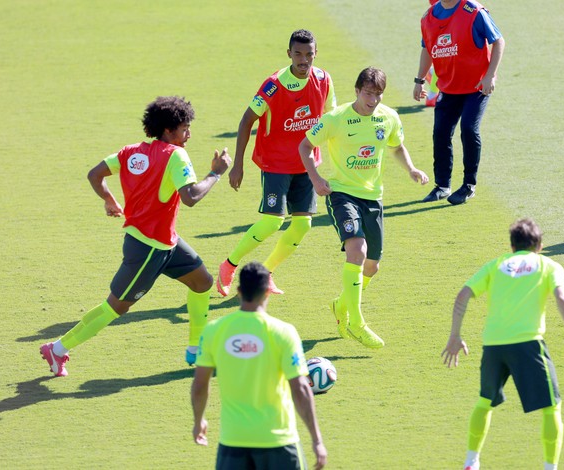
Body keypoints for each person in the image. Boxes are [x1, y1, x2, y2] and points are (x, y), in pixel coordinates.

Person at [39, 96, 232, 376]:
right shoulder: (175, 155)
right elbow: (189, 197)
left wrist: (108, 199)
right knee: (116, 307)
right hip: (148, 249)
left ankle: (197, 349)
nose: (189, 134)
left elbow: (95, 174)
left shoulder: (130, 152)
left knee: (202, 282)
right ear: (168, 129)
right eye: (185, 128)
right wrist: (215, 173)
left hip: (165, 241)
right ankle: (57, 349)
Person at [298, 67, 429, 349]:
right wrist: (316, 179)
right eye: (368, 93)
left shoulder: (389, 117)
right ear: (357, 91)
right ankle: (356, 322)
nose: (373, 100)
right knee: (358, 250)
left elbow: (396, 146)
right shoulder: (336, 119)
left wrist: (411, 169)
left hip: (374, 197)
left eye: (378, 94)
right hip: (342, 193)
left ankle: (341, 304)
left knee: (372, 266)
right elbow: (305, 146)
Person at [441, 218, 564, 470]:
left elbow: (463, 295)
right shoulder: (548, 265)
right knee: (552, 407)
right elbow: (561, 297)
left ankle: (471, 462)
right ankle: (550, 468)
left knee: (485, 401)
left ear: (512, 245)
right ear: (539, 245)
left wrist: (455, 335)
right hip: (528, 345)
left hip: (494, 346)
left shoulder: (497, 264)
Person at [217, 29, 336, 297]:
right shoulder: (274, 85)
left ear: (316, 54)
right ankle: (229, 265)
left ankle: (266, 273)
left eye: (309, 54)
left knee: (303, 224)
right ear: (289, 54)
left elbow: (331, 119)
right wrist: (238, 165)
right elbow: (246, 120)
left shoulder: (324, 79)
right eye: (298, 54)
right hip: (276, 163)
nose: (304, 60)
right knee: (272, 222)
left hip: (306, 164)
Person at [191, 262, 327, 470]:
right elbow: (300, 388)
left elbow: (200, 386)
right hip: (278, 441)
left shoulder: (213, 331)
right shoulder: (283, 333)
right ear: (267, 292)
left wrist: (199, 421)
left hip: (233, 442)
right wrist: (316, 439)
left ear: (238, 292)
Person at [413, 0, 505, 205]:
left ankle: (469, 185)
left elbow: (498, 41)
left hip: (477, 86)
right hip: (449, 87)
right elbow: (427, 49)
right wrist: (419, 80)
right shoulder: (428, 17)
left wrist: (490, 76)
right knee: (441, 133)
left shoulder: (473, 11)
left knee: (469, 129)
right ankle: (442, 185)